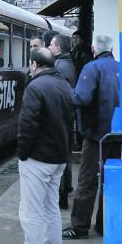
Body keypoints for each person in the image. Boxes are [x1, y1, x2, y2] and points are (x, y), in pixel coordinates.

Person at [16, 48, 74, 244]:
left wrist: (23, 153)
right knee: (51, 207)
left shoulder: (35, 86)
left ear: (33, 64)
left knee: (31, 212)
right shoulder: (65, 85)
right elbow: (70, 124)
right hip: (59, 159)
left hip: (38, 159)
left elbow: (27, 124)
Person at [62, 34, 122, 239]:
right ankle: (104, 224)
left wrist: (67, 93)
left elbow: (81, 97)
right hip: (117, 133)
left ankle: (79, 226)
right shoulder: (121, 67)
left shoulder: (92, 68)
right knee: (110, 180)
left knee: (88, 180)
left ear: (94, 48)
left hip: (96, 134)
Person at [48, 34, 77, 209]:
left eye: (51, 44)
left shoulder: (60, 67)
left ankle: (62, 195)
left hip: (61, 118)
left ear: (58, 48)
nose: (49, 47)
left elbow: (59, 95)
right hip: (65, 117)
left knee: (61, 156)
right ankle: (64, 190)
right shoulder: (66, 64)